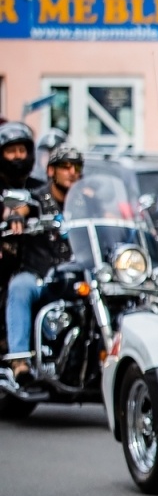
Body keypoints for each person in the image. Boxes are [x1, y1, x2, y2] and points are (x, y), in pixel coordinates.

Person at [5, 143, 82, 380]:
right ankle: (19, 360)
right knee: (19, 287)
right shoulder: (38, 197)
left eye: (76, 167)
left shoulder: (83, 203)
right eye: (65, 166)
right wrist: (16, 215)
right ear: (51, 171)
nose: (72, 172)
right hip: (40, 275)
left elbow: (109, 217)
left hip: (74, 276)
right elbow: (21, 207)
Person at [0, 121, 34, 355]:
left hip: (33, 260)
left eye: (21, 150)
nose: (17, 157)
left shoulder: (37, 186)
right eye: (11, 151)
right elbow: (16, 209)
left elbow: (35, 203)